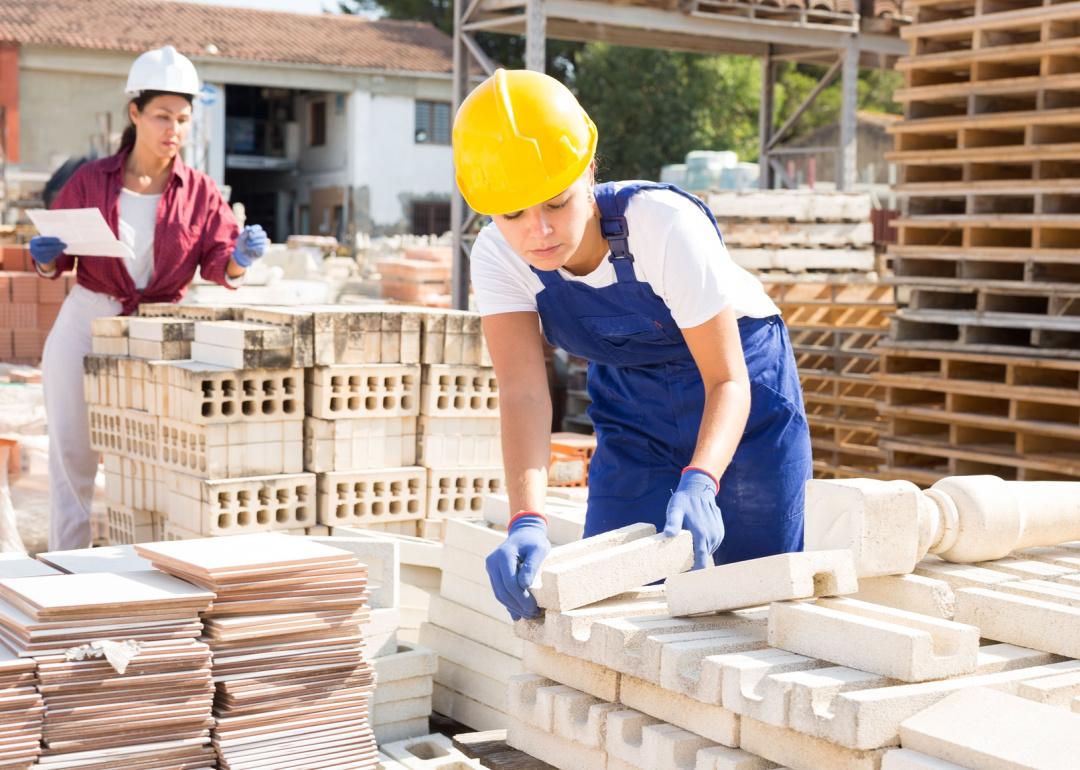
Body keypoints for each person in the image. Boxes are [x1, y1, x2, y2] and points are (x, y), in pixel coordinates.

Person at [453, 69, 813, 620]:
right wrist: (526, 520)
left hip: (741, 391)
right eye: (513, 214)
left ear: (588, 169)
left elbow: (728, 380)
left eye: (555, 203)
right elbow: (525, 394)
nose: (539, 232)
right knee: (609, 593)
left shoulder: (664, 225)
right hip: (631, 405)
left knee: (754, 598)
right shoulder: (498, 259)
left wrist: (701, 478)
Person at [29, 45, 269, 550]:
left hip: (158, 330)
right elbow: (56, 263)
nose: (173, 130)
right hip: (86, 319)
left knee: (152, 461)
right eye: (162, 116)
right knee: (73, 456)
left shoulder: (201, 192)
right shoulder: (91, 180)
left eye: (183, 118)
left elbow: (218, 263)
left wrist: (240, 260)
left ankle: (142, 577)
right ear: (135, 113)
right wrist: (47, 257)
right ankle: (65, 571)